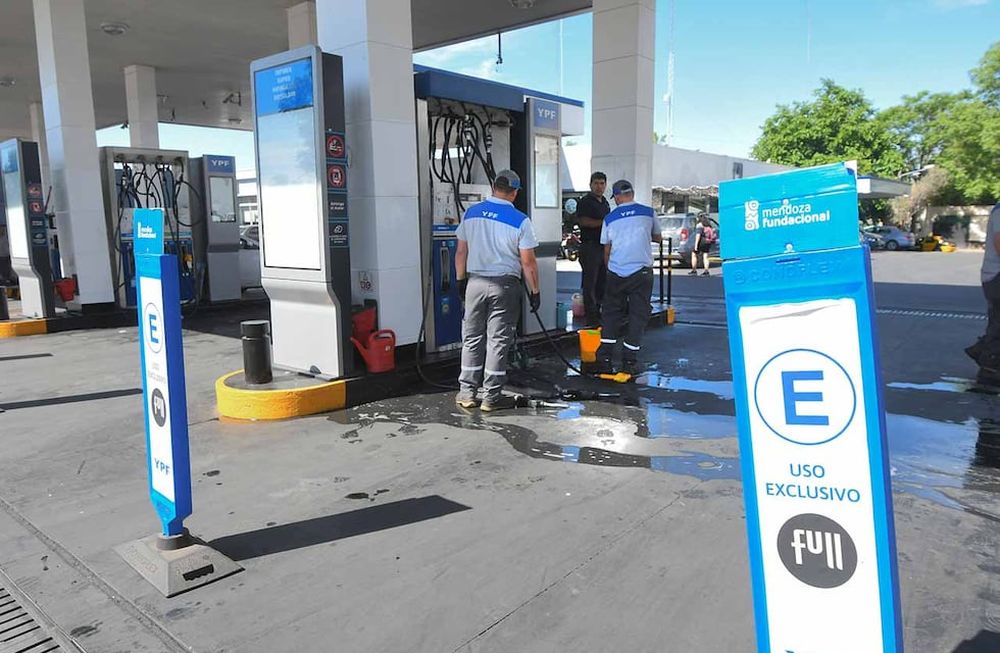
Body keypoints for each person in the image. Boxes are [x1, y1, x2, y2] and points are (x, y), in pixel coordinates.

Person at [454, 170, 541, 411]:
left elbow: (461, 252)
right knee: (497, 341)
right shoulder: (521, 220)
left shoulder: (471, 213)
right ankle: (491, 397)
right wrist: (535, 291)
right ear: (514, 193)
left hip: (475, 283)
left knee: (471, 338)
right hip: (504, 285)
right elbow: (528, 262)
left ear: (494, 187)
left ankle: (466, 393)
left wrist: (460, 280)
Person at [596, 179, 662, 375]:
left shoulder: (609, 218)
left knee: (611, 314)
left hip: (616, 272)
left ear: (617, 197)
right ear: (632, 194)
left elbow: (606, 249)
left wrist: (610, 270)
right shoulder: (649, 212)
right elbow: (657, 237)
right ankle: (629, 359)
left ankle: (605, 357)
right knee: (638, 315)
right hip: (641, 273)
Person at [966, 203, 1000, 381]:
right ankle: (990, 370)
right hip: (996, 276)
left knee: (997, 323)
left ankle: (980, 351)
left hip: (993, 276)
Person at [575, 172, 611, 326]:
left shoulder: (605, 203)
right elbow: (584, 222)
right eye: (596, 183)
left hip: (604, 246)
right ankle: (591, 317)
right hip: (589, 246)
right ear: (590, 185)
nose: (599, 186)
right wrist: (604, 222)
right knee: (590, 282)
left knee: (603, 282)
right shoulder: (585, 202)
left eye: (602, 183)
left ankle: (600, 312)